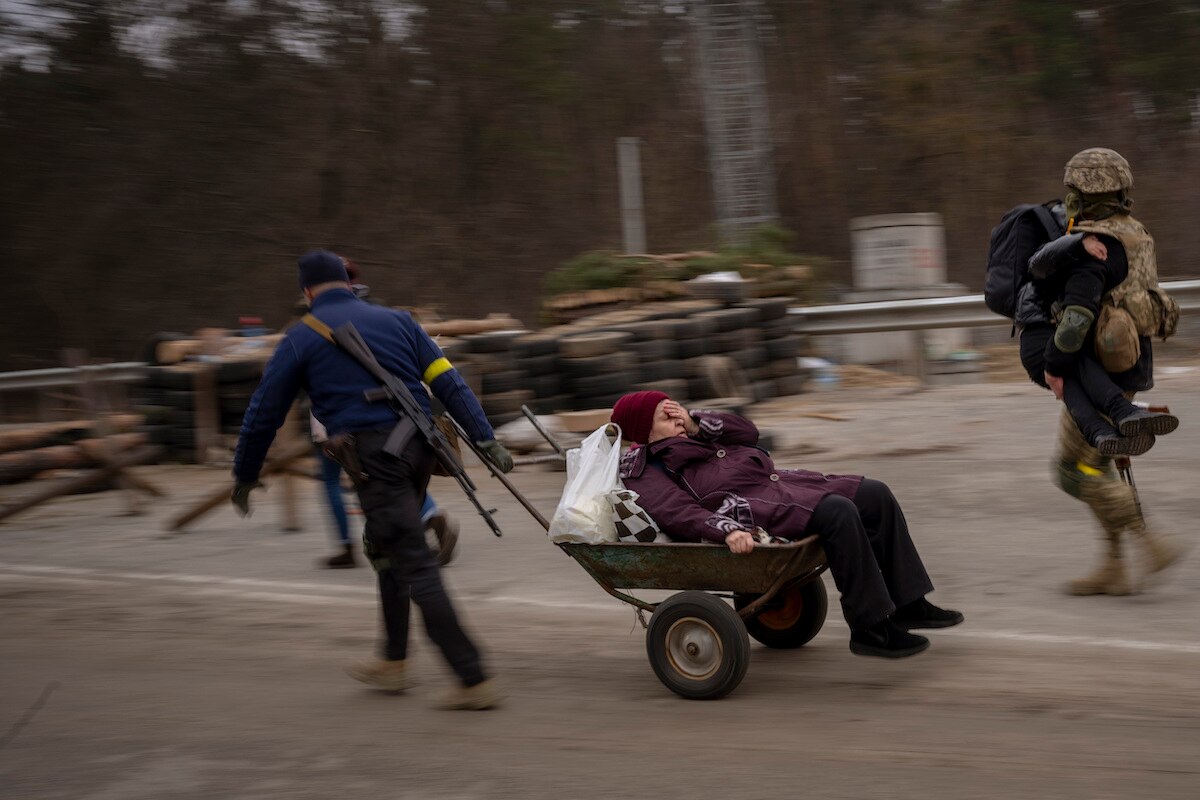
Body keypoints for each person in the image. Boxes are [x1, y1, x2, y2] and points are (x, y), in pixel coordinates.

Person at [232, 249, 513, 709]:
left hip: (374, 460)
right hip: (422, 449)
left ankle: (472, 678)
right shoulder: (401, 321)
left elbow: (263, 413)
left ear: (306, 291)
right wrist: (485, 438)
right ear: (348, 282)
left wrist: (245, 472)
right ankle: (393, 663)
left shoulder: (300, 338)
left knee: (414, 562)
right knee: (386, 549)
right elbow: (448, 381)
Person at [609, 391, 963, 659]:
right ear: (644, 429)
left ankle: (908, 603)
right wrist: (725, 529)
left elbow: (749, 431)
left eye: (676, 409)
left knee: (874, 494)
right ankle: (870, 628)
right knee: (838, 511)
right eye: (665, 415)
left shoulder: (695, 434)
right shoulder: (645, 469)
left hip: (783, 485)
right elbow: (677, 511)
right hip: (746, 508)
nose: (677, 418)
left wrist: (695, 422)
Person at [1019, 148, 1182, 596]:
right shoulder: (1137, 233)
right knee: (1099, 460)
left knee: (1073, 470)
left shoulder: (1094, 242)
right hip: (1133, 363)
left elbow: (1078, 317)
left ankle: (1148, 538)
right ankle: (1113, 566)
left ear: (1081, 194)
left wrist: (1055, 365)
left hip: (1098, 374)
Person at [1016, 212, 1177, 456]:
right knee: (1073, 363)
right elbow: (1038, 262)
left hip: (1045, 339)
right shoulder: (1048, 258)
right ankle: (1122, 412)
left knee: (1073, 379)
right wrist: (1080, 242)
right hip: (1038, 340)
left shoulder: (1060, 258)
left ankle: (1103, 433)